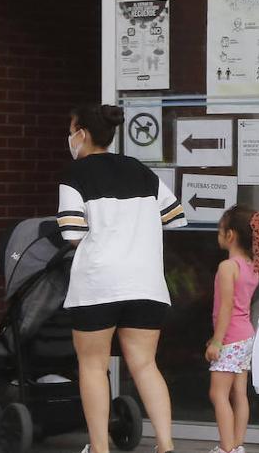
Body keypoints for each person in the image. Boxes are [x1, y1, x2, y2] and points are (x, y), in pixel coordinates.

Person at [58, 103, 187, 453]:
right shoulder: (141, 172)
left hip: (98, 283)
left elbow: (71, 233)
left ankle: (100, 449)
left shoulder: (76, 175)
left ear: (81, 134)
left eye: (71, 130)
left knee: (93, 366)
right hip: (145, 283)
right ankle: (166, 445)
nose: (69, 138)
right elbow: (175, 218)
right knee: (146, 364)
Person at [205, 205, 259, 453]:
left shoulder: (227, 267)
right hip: (245, 337)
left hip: (230, 338)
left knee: (218, 394)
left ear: (230, 235)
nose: (218, 234)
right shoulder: (252, 266)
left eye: (220, 230)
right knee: (239, 394)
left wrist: (216, 341)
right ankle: (238, 444)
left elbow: (226, 309)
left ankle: (226, 447)